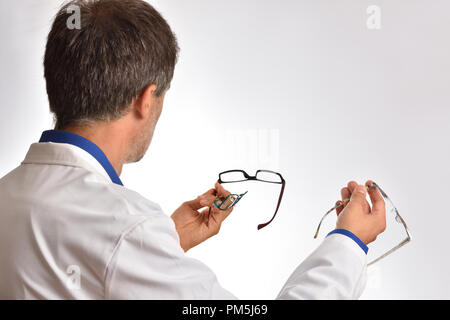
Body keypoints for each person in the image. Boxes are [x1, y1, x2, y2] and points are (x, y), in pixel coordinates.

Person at [0, 0, 386, 299]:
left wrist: (164, 242)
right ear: (146, 99)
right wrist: (349, 244)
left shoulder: (8, 196)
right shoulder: (127, 228)